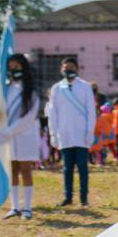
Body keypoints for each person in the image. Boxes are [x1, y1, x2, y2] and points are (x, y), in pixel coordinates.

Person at [48, 57, 97, 207]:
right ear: (61, 69)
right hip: (65, 133)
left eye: (71, 67)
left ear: (77, 69)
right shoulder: (57, 88)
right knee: (67, 168)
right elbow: (52, 112)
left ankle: (84, 198)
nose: (68, 70)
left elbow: (91, 110)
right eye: (65, 67)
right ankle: (67, 197)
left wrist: (90, 131)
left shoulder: (85, 86)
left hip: (81, 133)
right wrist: (53, 133)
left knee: (82, 167)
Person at [0, 54, 40, 220]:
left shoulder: (30, 90)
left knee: (25, 170)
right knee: (12, 171)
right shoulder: (6, 89)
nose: (13, 71)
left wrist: (9, 131)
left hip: (24, 135)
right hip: (8, 138)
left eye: (17, 67)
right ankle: (14, 207)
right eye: (11, 68)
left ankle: (27, 208)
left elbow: (29, 117)